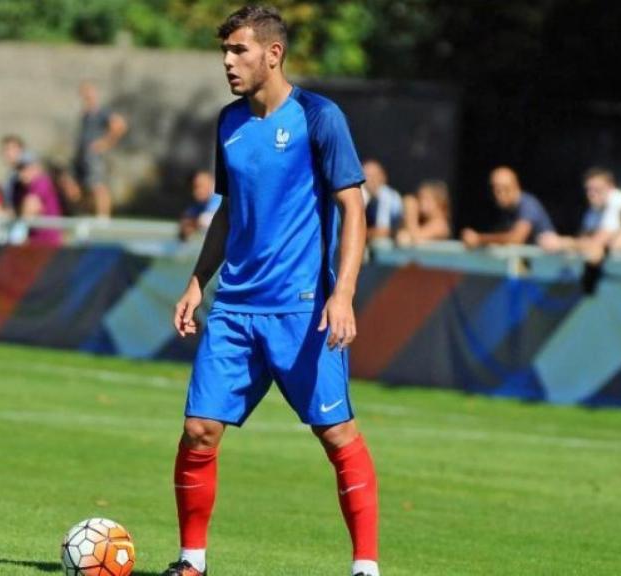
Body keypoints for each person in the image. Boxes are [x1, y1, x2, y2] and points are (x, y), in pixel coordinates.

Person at [168, 6, 376, 576]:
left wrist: (344, 292)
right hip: (234, 308)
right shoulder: (228, 123)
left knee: (337, 434)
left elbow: (353, 208)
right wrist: (195, 283)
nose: (229, 63)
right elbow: (227, 211)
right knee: (199, 430)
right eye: (225, 53)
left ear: (273, 54)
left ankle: (364, 567)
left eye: (239, 51)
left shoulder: (320, 117)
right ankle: (191, 561)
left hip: (302, 311)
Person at [539, 167, 621, 255]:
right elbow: (583, 238)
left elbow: (597, 242)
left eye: (597, 189)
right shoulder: (595, 207)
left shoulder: (618, 200)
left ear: (611, 188)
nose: (591, 194)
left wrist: (562, 243)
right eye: (588, 190)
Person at [461, 166, 555, 248]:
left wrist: (479, 239)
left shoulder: (528, 205)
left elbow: (516, 239)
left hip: (548, 265)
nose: (499, 194)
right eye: (496, 189)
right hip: (527, 264)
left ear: (516, 186)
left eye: (505, 188)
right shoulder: (507, 210)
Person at [73, 82, 128, 218]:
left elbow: (120, 125)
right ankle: (89, 213)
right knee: (86, 186)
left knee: (98, 185)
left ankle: (103, 217)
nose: (86, 96)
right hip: (84, 155)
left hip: (94, 156)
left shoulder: (101, 111)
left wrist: (106, 143)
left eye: (89, 92)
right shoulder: (86, 114)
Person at [15, 156, 64, 246]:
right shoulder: (29, 187)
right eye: (20, 170)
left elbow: (30, 208)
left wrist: (18, 234)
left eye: (26, 168)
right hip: (40, 244)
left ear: (37, 168)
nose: (22, 174)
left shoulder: (40, 182)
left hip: (45, 244)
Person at [396, 179, 451, 246]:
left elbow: (415, 238)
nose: (421, 203)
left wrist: (410, 210)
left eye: (427, 199)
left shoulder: (440, 224)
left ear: (439, 202)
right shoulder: (421, 221)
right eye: (419, 198)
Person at [361, 159, 402, 240]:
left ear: (383, 177)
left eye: (374, 176)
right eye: (366, 176)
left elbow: (382, 232)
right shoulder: (365, 194)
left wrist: (356, 233)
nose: (370, 180)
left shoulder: (386, 195)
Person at [178, 170, 222, 241]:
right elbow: (186, 219)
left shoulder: (220, 197)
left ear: (211, 184)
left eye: (200, 186)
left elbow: (208, 221)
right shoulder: (200, 203)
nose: (196, 191)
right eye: (193, 187)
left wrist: (194, 223)